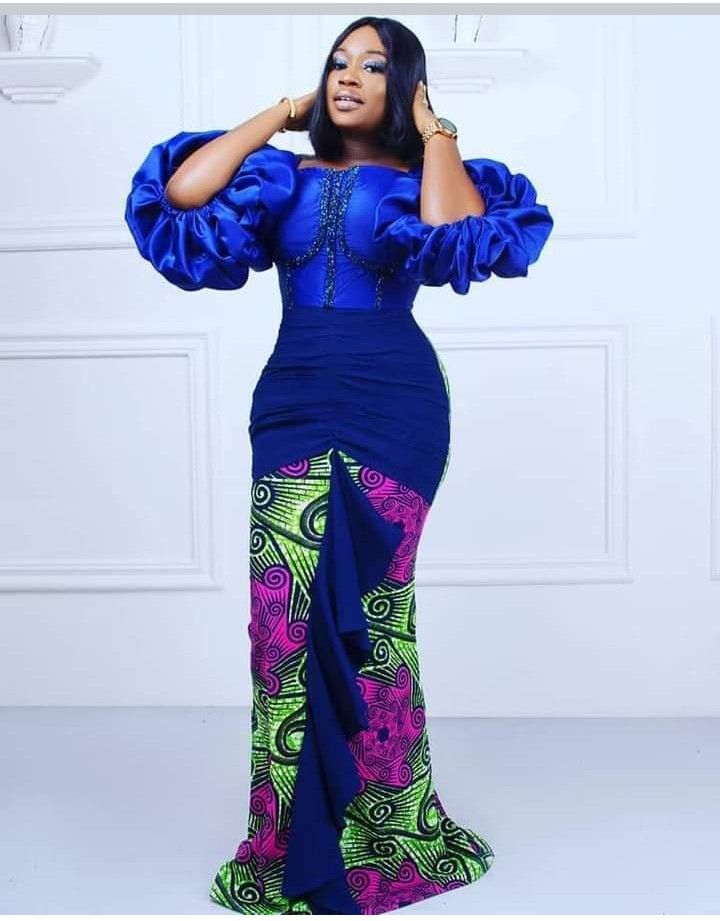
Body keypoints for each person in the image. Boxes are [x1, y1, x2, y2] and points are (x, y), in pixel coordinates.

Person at [124, 15, 553, 915]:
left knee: (376, 623)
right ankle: (289, 841)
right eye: (338, 62)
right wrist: (282, 113)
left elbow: (453, 230)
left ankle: (390, 831)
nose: (350, 75)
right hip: (291, 402)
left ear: (406, 85)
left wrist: (435, 131)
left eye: (375, 65)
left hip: (395, 407)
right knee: (280, 630)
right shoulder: (281, 174)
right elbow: (184, 194)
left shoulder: (425, 177)